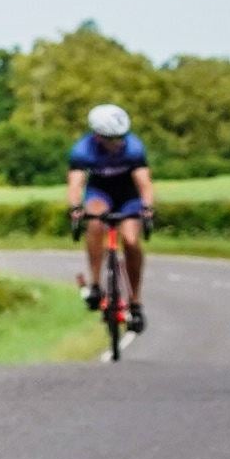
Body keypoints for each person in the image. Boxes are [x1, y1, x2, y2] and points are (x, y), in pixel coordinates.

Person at [65, 102, 156, 334]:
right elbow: (75, 184)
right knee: (95, 220)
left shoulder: (134, 148)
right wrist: (75, 208)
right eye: (111, 138)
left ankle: (135, 303)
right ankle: (96, 285)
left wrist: (147, 207)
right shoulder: (82, 150)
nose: (118, 143)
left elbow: (144, 183)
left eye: (121, 137)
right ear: (97, 136)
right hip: (100, 193)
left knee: (131, 240)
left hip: (128, 196)